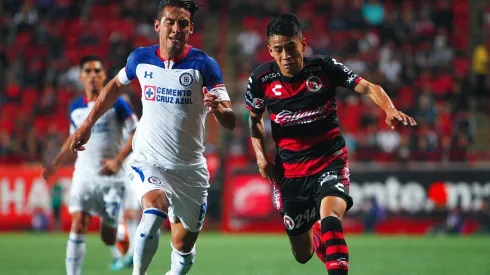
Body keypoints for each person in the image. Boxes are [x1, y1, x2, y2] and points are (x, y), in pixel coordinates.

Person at [70, 1, 236, 275]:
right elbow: (113, 87)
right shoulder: (140, 58)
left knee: (183, 245)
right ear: (158, 26)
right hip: (148, 159)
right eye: (170, 22)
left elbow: (229, 121)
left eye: (183, 23)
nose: (175, 28)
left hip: (190, 170)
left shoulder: (205, 65)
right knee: (153, 211)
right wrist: (87, 124)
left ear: (190, 29)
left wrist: (219, 109)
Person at [245, 14, 416, 274]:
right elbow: (254, 121)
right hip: (290, 174)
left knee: (332, 220)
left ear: (303, 44)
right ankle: (315, 231)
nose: (286, 55)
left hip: (329, 161)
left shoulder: (324, 67)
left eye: (291, 47)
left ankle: (325, 229)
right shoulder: (260, 80)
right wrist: (260, 157)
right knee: (302, 255)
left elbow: (369, 88)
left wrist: (389, 109)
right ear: (270, 51)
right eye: (278, 50)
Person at [41, 55, 138, 275]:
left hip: (111, 176)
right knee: (78, 224)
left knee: (108, 236)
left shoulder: (118, 104)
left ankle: (117, 228)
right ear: (81, 76)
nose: (93, 76)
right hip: (84, 175)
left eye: (97, 71)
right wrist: (55, 164)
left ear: (104, 76)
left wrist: (118, 160)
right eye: (88, 71)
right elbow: (72, 138)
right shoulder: (74, 107)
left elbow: (137, 133)